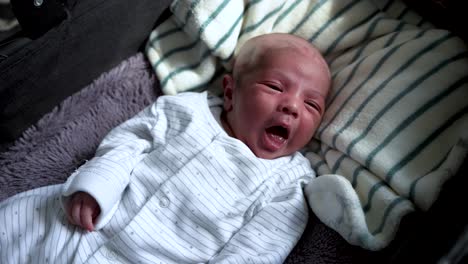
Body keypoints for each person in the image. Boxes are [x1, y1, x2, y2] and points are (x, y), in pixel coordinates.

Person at [0, 33, 330, 263]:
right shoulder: (187, 111)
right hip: (89, 221)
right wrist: (98, 184)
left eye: (312, 105)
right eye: (275, 86)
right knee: (20, 223)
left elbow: (257, 251)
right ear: (230, 93)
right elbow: (130, 141)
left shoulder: (288, 183)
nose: (292, 107)